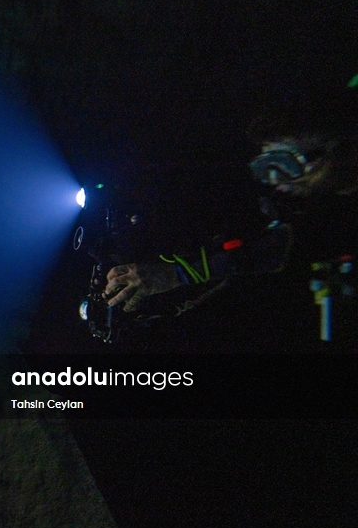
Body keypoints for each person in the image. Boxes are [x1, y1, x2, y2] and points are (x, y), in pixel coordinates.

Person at [102, 91, 357, 343]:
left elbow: (287, 246)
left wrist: (177, 274)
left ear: (334, 150)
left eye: (282, 162)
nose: (274, 180)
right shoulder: (317, 201)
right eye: (264, 167)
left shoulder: (338, 209)